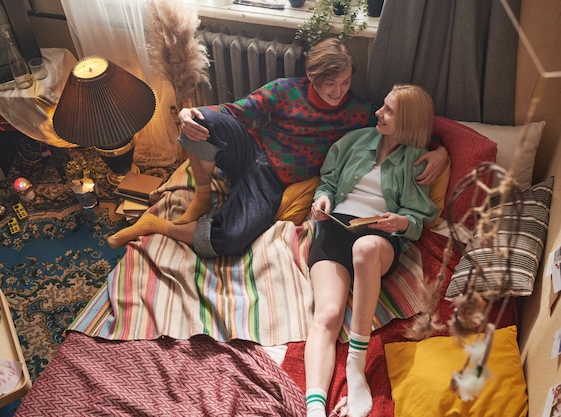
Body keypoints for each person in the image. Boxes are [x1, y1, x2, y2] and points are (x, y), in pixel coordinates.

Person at [107, 39, 447, 255]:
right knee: (204, 118)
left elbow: (405, 124)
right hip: (249, 151)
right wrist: (186, 113)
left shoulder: (358, 111)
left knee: (229, 241)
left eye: (345, 83)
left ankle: (156, 226)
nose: (338, 91)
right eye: (331, 84)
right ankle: (202, 196)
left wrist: (440, 151)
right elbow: (234, 111)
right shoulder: (284, 90)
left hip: (272, 180)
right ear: (313, 77)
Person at [303, 84, 439, 417]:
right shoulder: (355, 141)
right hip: (335, 227)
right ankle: (314, 408)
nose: (378, 112)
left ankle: (356, 363)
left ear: (407, 121)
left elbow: (418, 219)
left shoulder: (416, 161)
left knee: (364, 249)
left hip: (378, 236)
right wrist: (323, 200)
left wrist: (400, 223)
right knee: (328, 315)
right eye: (382, 106)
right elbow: (328, 183)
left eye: (389, 110)